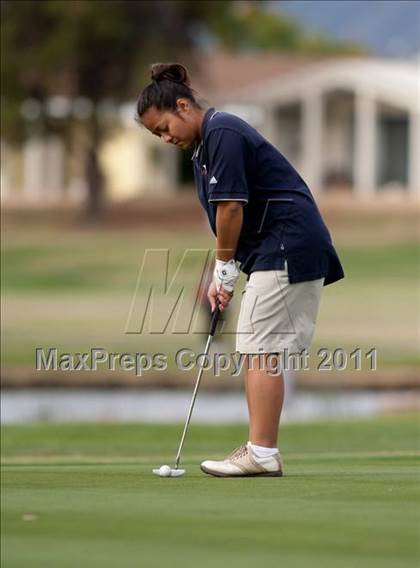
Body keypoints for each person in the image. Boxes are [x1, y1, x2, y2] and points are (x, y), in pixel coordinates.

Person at [136, 62, 345, 478]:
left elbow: (231, 207)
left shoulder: (223, 132)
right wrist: (224, 272)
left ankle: (262, 452)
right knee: (256, 345)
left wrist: (224, 269)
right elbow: (226, 213)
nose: (165, 138)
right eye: (156, 135)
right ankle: (261, 450)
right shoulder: (205, 147)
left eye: (164, 127)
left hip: (287, 243)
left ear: (182, 105)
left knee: (260, 347)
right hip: (278, 247)